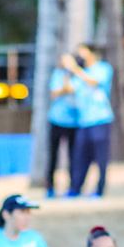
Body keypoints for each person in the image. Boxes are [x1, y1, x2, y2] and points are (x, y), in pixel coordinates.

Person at [65, 44, 114, 197]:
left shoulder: (103, 68)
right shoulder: (81, 72)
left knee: (101, 158)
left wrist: (74, 69)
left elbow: (93, 82)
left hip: (100, 119)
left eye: (83, 52)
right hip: (83, 121)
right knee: (80, 156)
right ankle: (75, 188)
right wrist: (67, 71)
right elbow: (69, 89)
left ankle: (99, 190)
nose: (80, 56)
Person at [46, 63, 79, 198]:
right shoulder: (57, 74)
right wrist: (66, 85)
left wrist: (66, 87)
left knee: (73, 157)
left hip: (73, 122)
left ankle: (73, 187)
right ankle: (50, 187)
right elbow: (54, 93)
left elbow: (72, 91)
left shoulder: (79, 75)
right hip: (56, 120)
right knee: (53, 156)